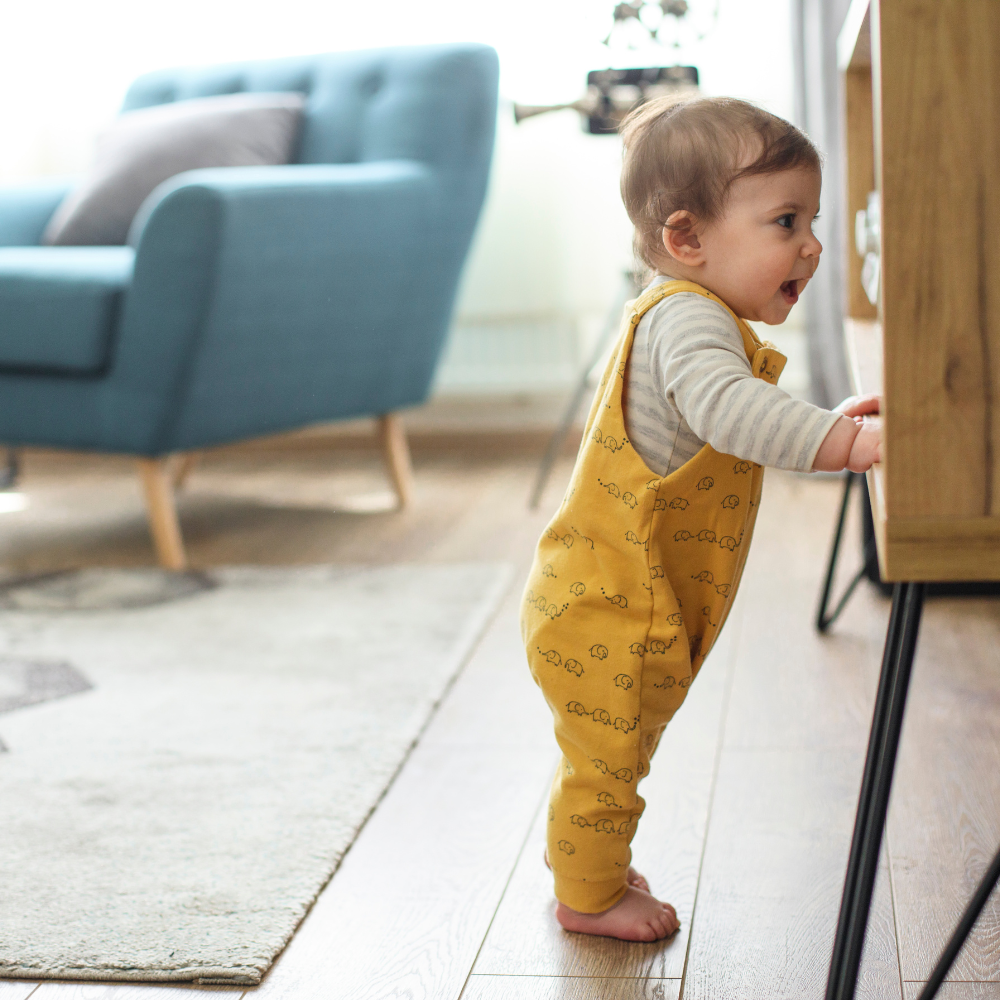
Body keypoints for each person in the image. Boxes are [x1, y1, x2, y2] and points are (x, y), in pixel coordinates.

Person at [521, 96, 881, 942]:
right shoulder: (687, 317)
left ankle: (590, 859)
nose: (813, 245)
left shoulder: (688, 309)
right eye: (786, 221)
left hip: (618, 602)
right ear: (687, 240)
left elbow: (736, 406)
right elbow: (730, 411)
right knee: (608, 767)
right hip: (610, 607)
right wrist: (850, 446)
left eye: (812, 219)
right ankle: (589, 896)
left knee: (617, 755)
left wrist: (835, 420)